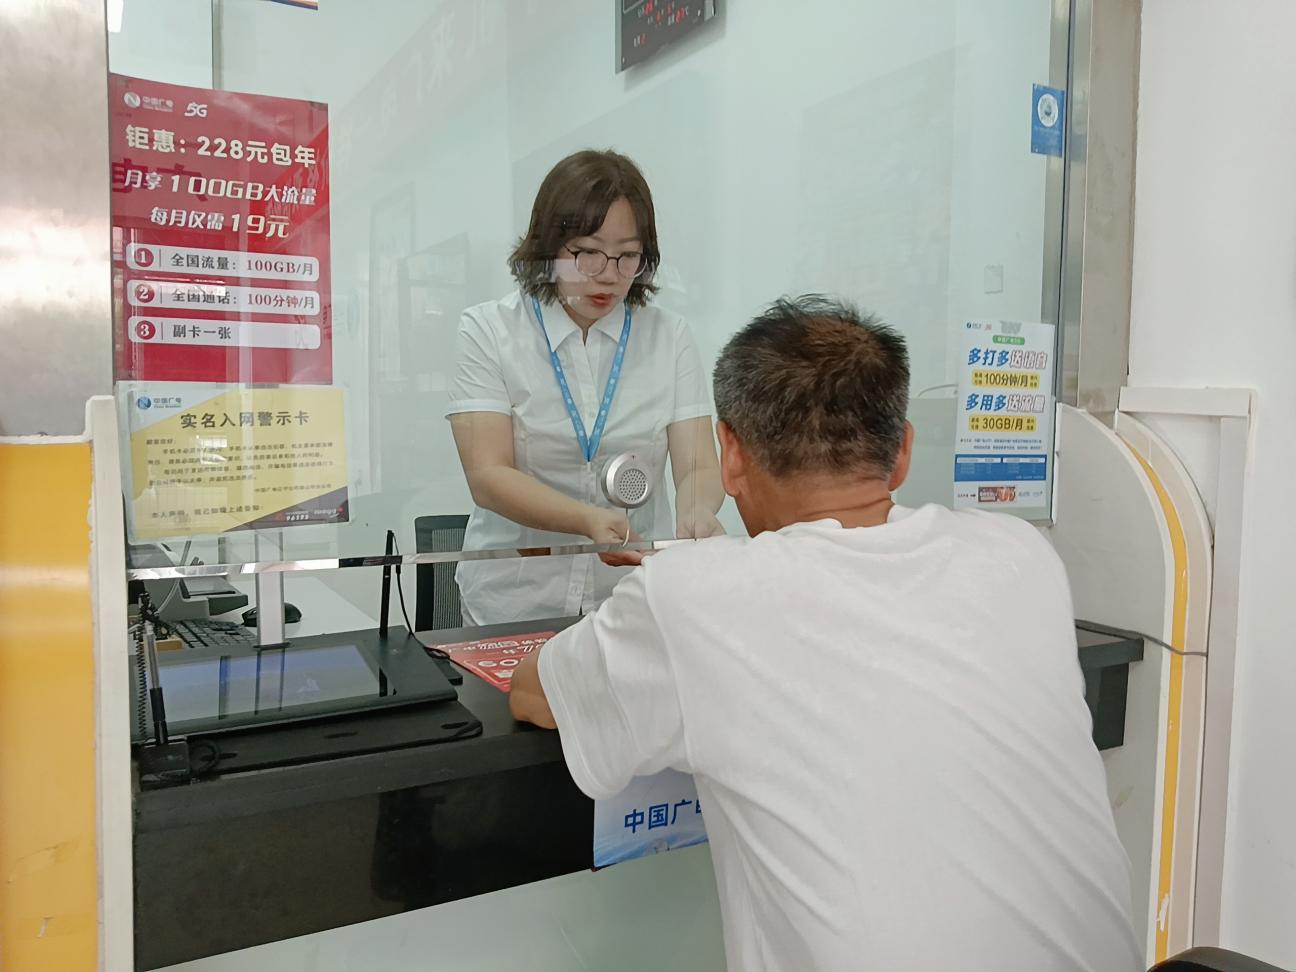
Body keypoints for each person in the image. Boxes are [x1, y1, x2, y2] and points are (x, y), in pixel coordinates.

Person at [509, 296, 1142, 972]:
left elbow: (534, 693)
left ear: (729, 456)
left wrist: (672, 599)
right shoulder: (1018, 555)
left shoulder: (693, 597)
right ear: (902, 453)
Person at [446, 149, 724, 626]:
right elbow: (488, 475)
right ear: (549, 247)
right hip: (516, 597)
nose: (608, 274)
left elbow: (697, 463)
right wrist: (586, 519)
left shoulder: (668, 336)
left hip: (631, 598)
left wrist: (697, 509)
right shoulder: (489, 331)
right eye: (587, 253)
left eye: (628, 256)